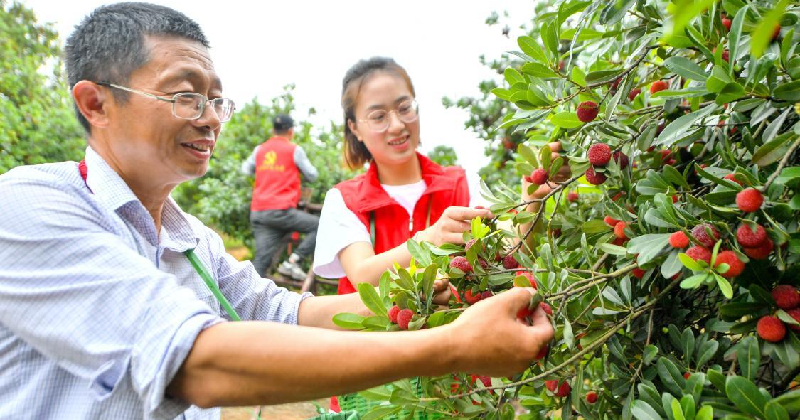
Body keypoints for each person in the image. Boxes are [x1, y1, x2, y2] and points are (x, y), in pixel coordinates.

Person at [0, 4, 553, 420]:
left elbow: (288, 313)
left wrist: (410, 305)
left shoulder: (192, 239)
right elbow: (197, 362)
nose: (211, 119)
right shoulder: (28, 206)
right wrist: (450, 346)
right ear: (96, 102)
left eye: (217, 100)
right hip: (282, 213)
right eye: (186, 95)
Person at [313, 57, 488, 295]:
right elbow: (362, 276)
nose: (396, 125)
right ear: (355, 128)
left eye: (404, 108)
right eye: (378, 116)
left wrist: (532, 203)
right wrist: (430, 238)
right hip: (370, 334)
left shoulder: (464, 183)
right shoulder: (344, 200)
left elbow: (507, 251)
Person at [241, 113, 319, 281]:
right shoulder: (294, 150)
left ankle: (244, 304)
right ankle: (293, 261)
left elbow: (245, 169)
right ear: (291, 131)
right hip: (281, 212)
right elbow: (312, 175)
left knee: (261, 263)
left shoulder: (259, 150)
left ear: (272, 130)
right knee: (319, 226)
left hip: (259, 212)